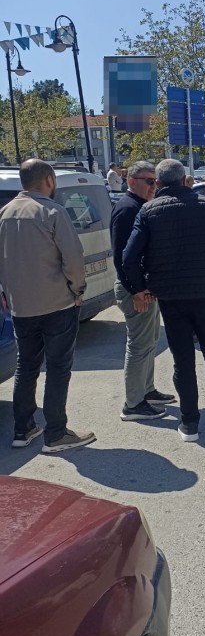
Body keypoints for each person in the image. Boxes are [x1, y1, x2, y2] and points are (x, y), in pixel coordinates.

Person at [122, 159, 205, 443]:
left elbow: (129, 257)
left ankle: (189, 422)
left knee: (183, 359)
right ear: (185, 179)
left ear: (159, 183)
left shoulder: (148, 211)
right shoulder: (203, 205)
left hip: (170, 296)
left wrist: (139, 288)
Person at [0, 159, 95, 452]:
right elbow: (74, 258)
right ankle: (56, 433)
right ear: (50, 180)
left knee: (26, 366)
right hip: (57, 303)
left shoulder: (4, 213)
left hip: (20, 306)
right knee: (57, 368)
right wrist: (78, 290)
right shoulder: (53, 211)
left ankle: (23, 429)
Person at [110, 161, 175, 422]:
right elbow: (121, 257)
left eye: (155, 181)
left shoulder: (139, 206)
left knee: (149, 342)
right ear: (131, 181)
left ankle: (147, 391)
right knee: (139, 345)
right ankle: (133, 404)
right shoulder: (128, 209)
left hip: (143, 287)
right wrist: (136, 289)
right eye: (148, 181)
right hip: (135, 289)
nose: (153, 186)